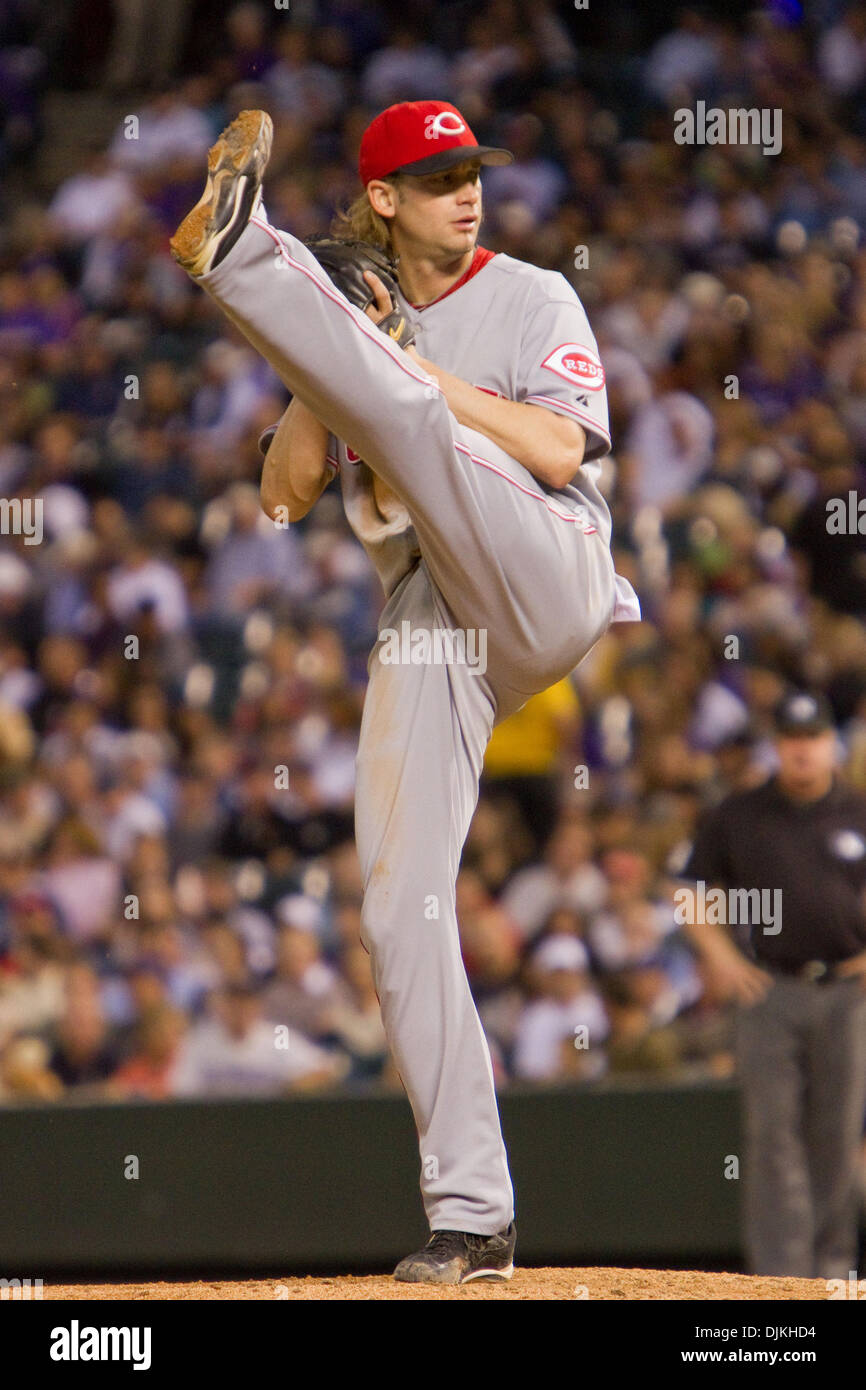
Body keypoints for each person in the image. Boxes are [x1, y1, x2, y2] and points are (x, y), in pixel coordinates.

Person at [169, 101, 640, 1284]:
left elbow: (551, 452)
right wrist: (329, 372)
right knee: (398, 907)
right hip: (433, 621)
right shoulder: (368, 334)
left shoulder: (532, 294)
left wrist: (398, 367)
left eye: (469, 172)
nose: (463, 192)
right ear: (383, 199)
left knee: (422, 411)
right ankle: (472, 1216)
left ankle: (241, 259)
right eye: (435, 179)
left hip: (545, 564)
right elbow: (281, 495)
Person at [680, 691, 866, 1279]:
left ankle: (832, 1270)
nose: (802, 751)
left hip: (846, 991)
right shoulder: (740, 815)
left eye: (811, 738)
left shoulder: (858, 811)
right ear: (777, 745)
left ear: (830, 744)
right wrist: (722, 959)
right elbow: (689, 891)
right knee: (771, 1137)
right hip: (771, 991)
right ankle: (782, 1278)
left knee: (837, 1134)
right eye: (790, 738)